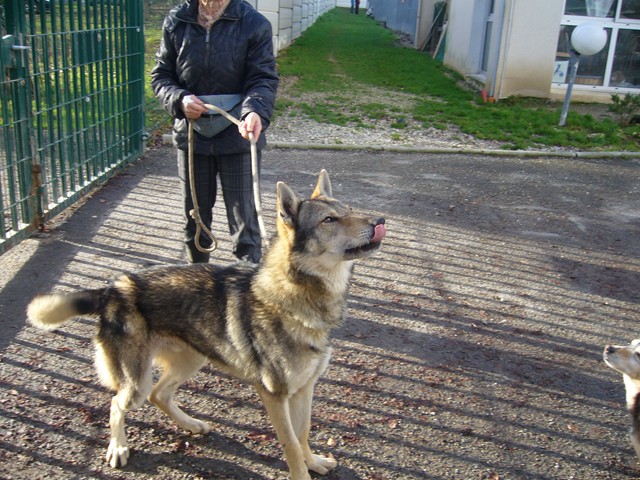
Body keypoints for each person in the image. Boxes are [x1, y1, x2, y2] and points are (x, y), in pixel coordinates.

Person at [151, 0, 279, 265]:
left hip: (238, 135)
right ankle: (198, 287)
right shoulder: (177, 20)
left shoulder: (254, 23)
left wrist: (254, 111)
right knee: (195, 218)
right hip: (192, 137)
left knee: (245, 221)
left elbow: (263, 78)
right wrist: (179, 99)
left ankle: (248, 291)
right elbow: (161, 76)